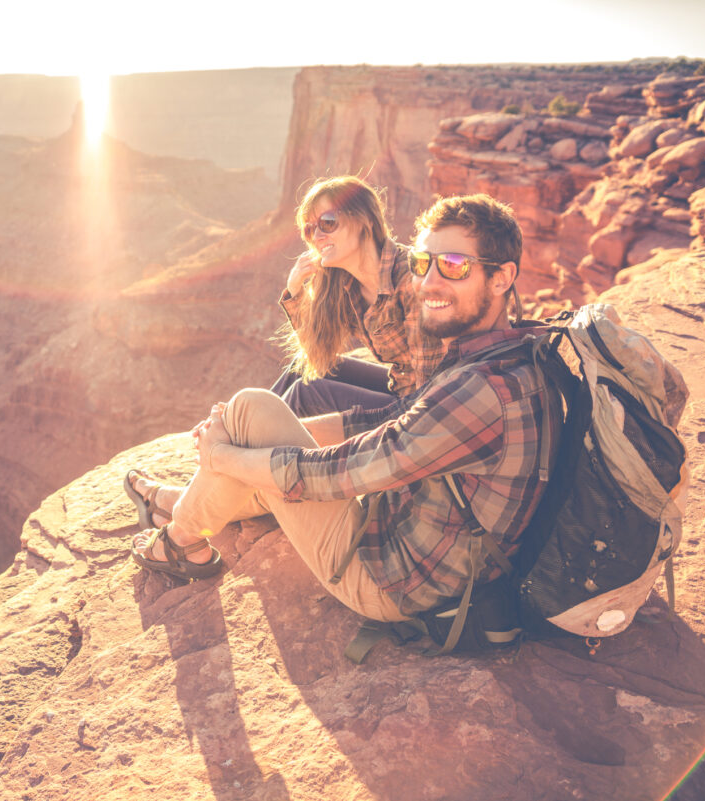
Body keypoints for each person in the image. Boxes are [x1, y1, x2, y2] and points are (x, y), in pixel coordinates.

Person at [125, 194, 552, 621]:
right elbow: (390, 416)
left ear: (502, 278)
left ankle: (180, 540)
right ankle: (183, 505)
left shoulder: (477, 390)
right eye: (422, 263)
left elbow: (340, 472)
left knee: (248, 414)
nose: (428, 282)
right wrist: (274, 438)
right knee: (267, 415)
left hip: (392, 581)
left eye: (454, 266)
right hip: (407, 535)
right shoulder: (495, 357)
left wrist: (222, 454)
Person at [271, 176, 472, 417]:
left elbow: (429, 390)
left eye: (327, 222)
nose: (316, 238)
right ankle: (236, 427)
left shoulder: (411, 280)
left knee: (306, 393)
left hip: (432, 405)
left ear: (363, 220)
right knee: (297, 372)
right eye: (309, 229)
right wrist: (295, 291)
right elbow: (316, 354)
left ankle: (241, 445)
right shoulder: (345, 286)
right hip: (401, 389)